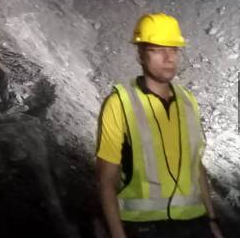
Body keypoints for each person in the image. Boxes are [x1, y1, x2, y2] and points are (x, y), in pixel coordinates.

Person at [95, 13, 223, 238]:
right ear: (140, 54)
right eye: (158, 50)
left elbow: (197, 167)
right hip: (146, 227)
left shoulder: (188, 101)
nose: (169, 58)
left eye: (174, 49)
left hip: (196, 224)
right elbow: (107, 180)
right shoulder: (120, 103)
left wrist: (212, 221)